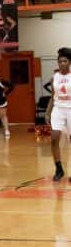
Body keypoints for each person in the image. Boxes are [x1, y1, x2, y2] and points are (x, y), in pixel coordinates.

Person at [47, 47, 71, 181]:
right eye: (60, 61)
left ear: (69, 62)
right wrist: (47, 112)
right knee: (54, 139)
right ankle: (59, 169)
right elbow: (52, 96)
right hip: (58, 109)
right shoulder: (54, 77)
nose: (62, 63)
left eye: (65, 61)